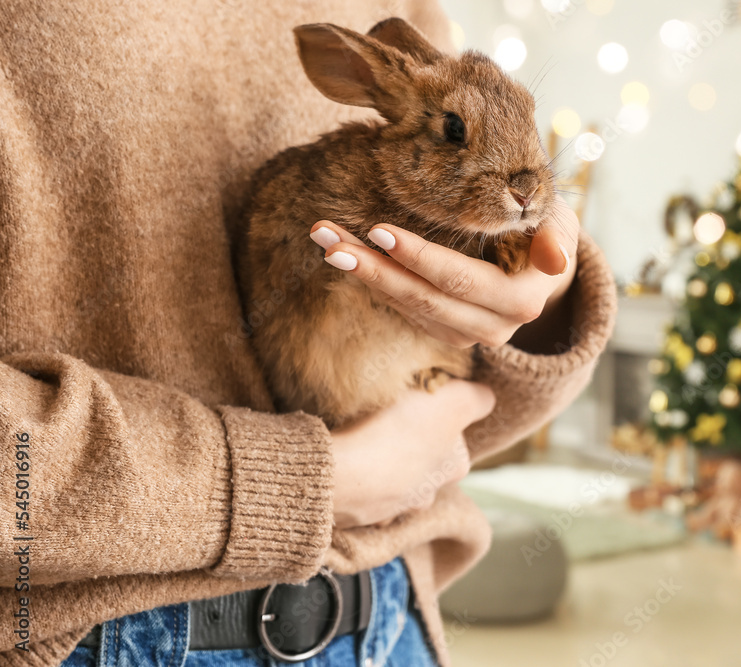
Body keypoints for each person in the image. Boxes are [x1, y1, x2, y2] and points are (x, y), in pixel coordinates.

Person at [0, 1, 616, 666]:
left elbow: (464, 406)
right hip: (101, 633)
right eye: (455, 132)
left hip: (387, 616)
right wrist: (307, 482)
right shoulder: (336, 191)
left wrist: (539, 296)